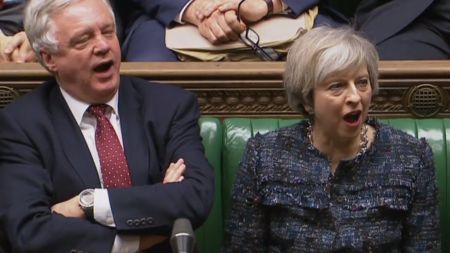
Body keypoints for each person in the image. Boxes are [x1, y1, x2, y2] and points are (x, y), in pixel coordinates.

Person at [0, 0, 214, 252]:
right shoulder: (20, 125)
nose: (103, 46)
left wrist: (86, 203)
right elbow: (30, 231)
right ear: (49, 58)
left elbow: (195, 197)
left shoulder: (169, 106)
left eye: (108, 32)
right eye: (83, 40)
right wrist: (137, 236)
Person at [223, 26, 440, 252]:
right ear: (307, 100)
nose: (355, 96)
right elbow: (241, 247)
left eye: (362, 82)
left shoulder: (411, 157)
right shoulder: (264, 155)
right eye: (337, 86)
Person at [116, 0, 320, 61]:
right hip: (167, 15)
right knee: (151, 73)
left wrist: (269, 4)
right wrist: (193, 8)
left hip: (288, 11)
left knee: (331, 60)